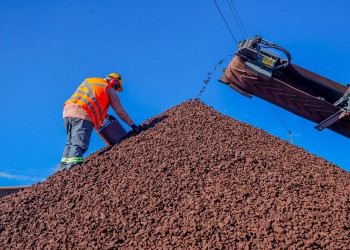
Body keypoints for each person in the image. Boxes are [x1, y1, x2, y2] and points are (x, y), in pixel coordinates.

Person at [57, 73, 139, 171]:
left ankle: (62, 169)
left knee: (70, 142)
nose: (115, 89)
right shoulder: (108, 88)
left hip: (67, 112)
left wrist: (104, 115)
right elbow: (120, 111)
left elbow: (90, 98)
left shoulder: (91, 80)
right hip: (82, 114)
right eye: (116, 87)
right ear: (114, 82)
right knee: (79, 142)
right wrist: (133, 125)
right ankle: (74, 167)